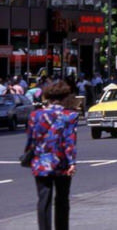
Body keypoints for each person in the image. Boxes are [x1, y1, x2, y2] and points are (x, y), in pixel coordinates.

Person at [26, 79, 78, 230]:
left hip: (40, 161)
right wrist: (72, 162)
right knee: (62, 200)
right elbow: (69, 141)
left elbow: (31, 139)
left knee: (43, 199)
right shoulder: (70, 115)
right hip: (61, 163)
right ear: (65, 96)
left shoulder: (35, 115)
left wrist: (30, 156)